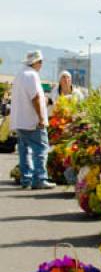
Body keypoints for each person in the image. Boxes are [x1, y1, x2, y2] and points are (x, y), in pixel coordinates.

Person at [10, 50, 56, 189]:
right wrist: (41, 118)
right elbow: (35, 97)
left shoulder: (20, 75)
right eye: (40, 62)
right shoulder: (32, 75)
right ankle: (39, 179)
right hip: (32, 121)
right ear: (36, 62)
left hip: (20, 121)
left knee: (25, 151)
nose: (41, 65)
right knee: (41, 149)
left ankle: (26, 179)